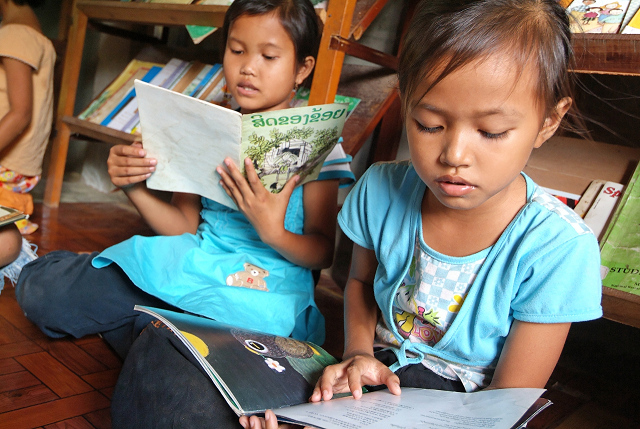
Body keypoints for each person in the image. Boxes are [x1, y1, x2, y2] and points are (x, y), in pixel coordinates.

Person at [241, 0, 604, 428]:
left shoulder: (557, 247)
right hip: (377, 374)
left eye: (491, 132)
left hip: (468, 406)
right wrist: (357, 353)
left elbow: (505, 404)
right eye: (429, 124)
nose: (454, 156)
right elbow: (358, 281)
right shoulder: (379, 189)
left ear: (548, 121)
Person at [16, 0, 349, 426]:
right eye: (236, 50)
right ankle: (162, 333)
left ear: (302, 69)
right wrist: (133, 187)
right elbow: (183, 226)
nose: (248, 67)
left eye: (268, 56)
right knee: (45, 292)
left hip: (259, 298)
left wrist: (273, 232)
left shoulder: (318, 146)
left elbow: (322, 253)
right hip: (189, 265)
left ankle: (161, 336)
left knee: (172, 402)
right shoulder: (207, 127)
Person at [0, 0, 51, 288]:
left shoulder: (15, 34)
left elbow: (20, 114)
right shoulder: (36, 35)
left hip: (8, 166)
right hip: (21, 170)